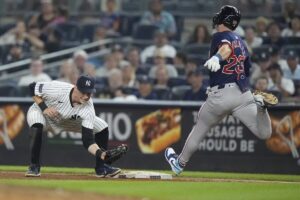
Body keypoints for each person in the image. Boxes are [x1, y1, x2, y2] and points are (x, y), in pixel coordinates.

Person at [165, 5, 278, 175]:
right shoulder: (241, 41)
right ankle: (262, 109)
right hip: (243, 94)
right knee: (264, 134)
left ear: (224, 19)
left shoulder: (220, 36)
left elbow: (226, 48)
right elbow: (247, 69)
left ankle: (179, 163)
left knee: (199, 129)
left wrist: (218, 57)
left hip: (221, 95)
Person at [25, 75, 127, 177]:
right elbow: (32, 87)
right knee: (36, 125)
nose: (86, 96)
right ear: (75, 88)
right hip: (44, 115)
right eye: (83, 92)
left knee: (102, 127)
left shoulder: (88, 107)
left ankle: (102, 168)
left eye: (89, 93)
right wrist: (44, 108)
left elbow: (88, 140)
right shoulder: (57, 88)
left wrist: (101, 154)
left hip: (69, 121)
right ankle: (34, 166)